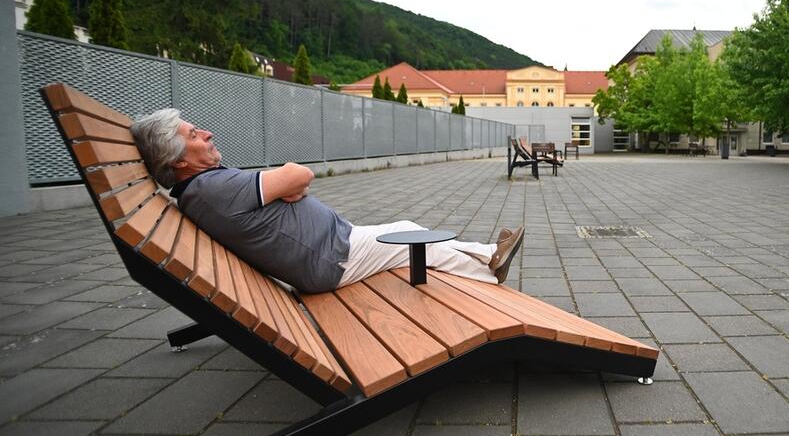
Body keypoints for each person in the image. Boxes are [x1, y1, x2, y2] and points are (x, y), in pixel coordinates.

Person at [129, 109, 524, 294]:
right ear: (179, 160)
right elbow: (299, 176)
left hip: (333, 244)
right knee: (411, 239)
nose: (208, 133)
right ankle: (490, 266)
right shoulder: (211, 190)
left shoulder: (206, 187)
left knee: (408, 228)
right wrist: (288, 184)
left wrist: (287, 186)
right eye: (195, 134)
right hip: (329, 260)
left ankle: (489, 256)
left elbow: (293, 184)